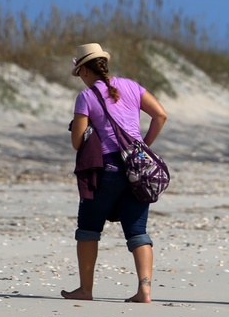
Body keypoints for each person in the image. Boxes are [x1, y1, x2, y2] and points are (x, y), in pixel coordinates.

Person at [62, 43, 168, 303]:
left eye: (79, 73)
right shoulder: (132, 86)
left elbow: (77, 143)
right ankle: (144, 290)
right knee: (137, 230)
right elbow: (161, 115)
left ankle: (85, 290)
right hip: (136, 167)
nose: (80, 79)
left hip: (105, 168)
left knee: (88, 228)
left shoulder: (86, 97)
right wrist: (142, 146)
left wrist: (82, 129)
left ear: (85, 70)